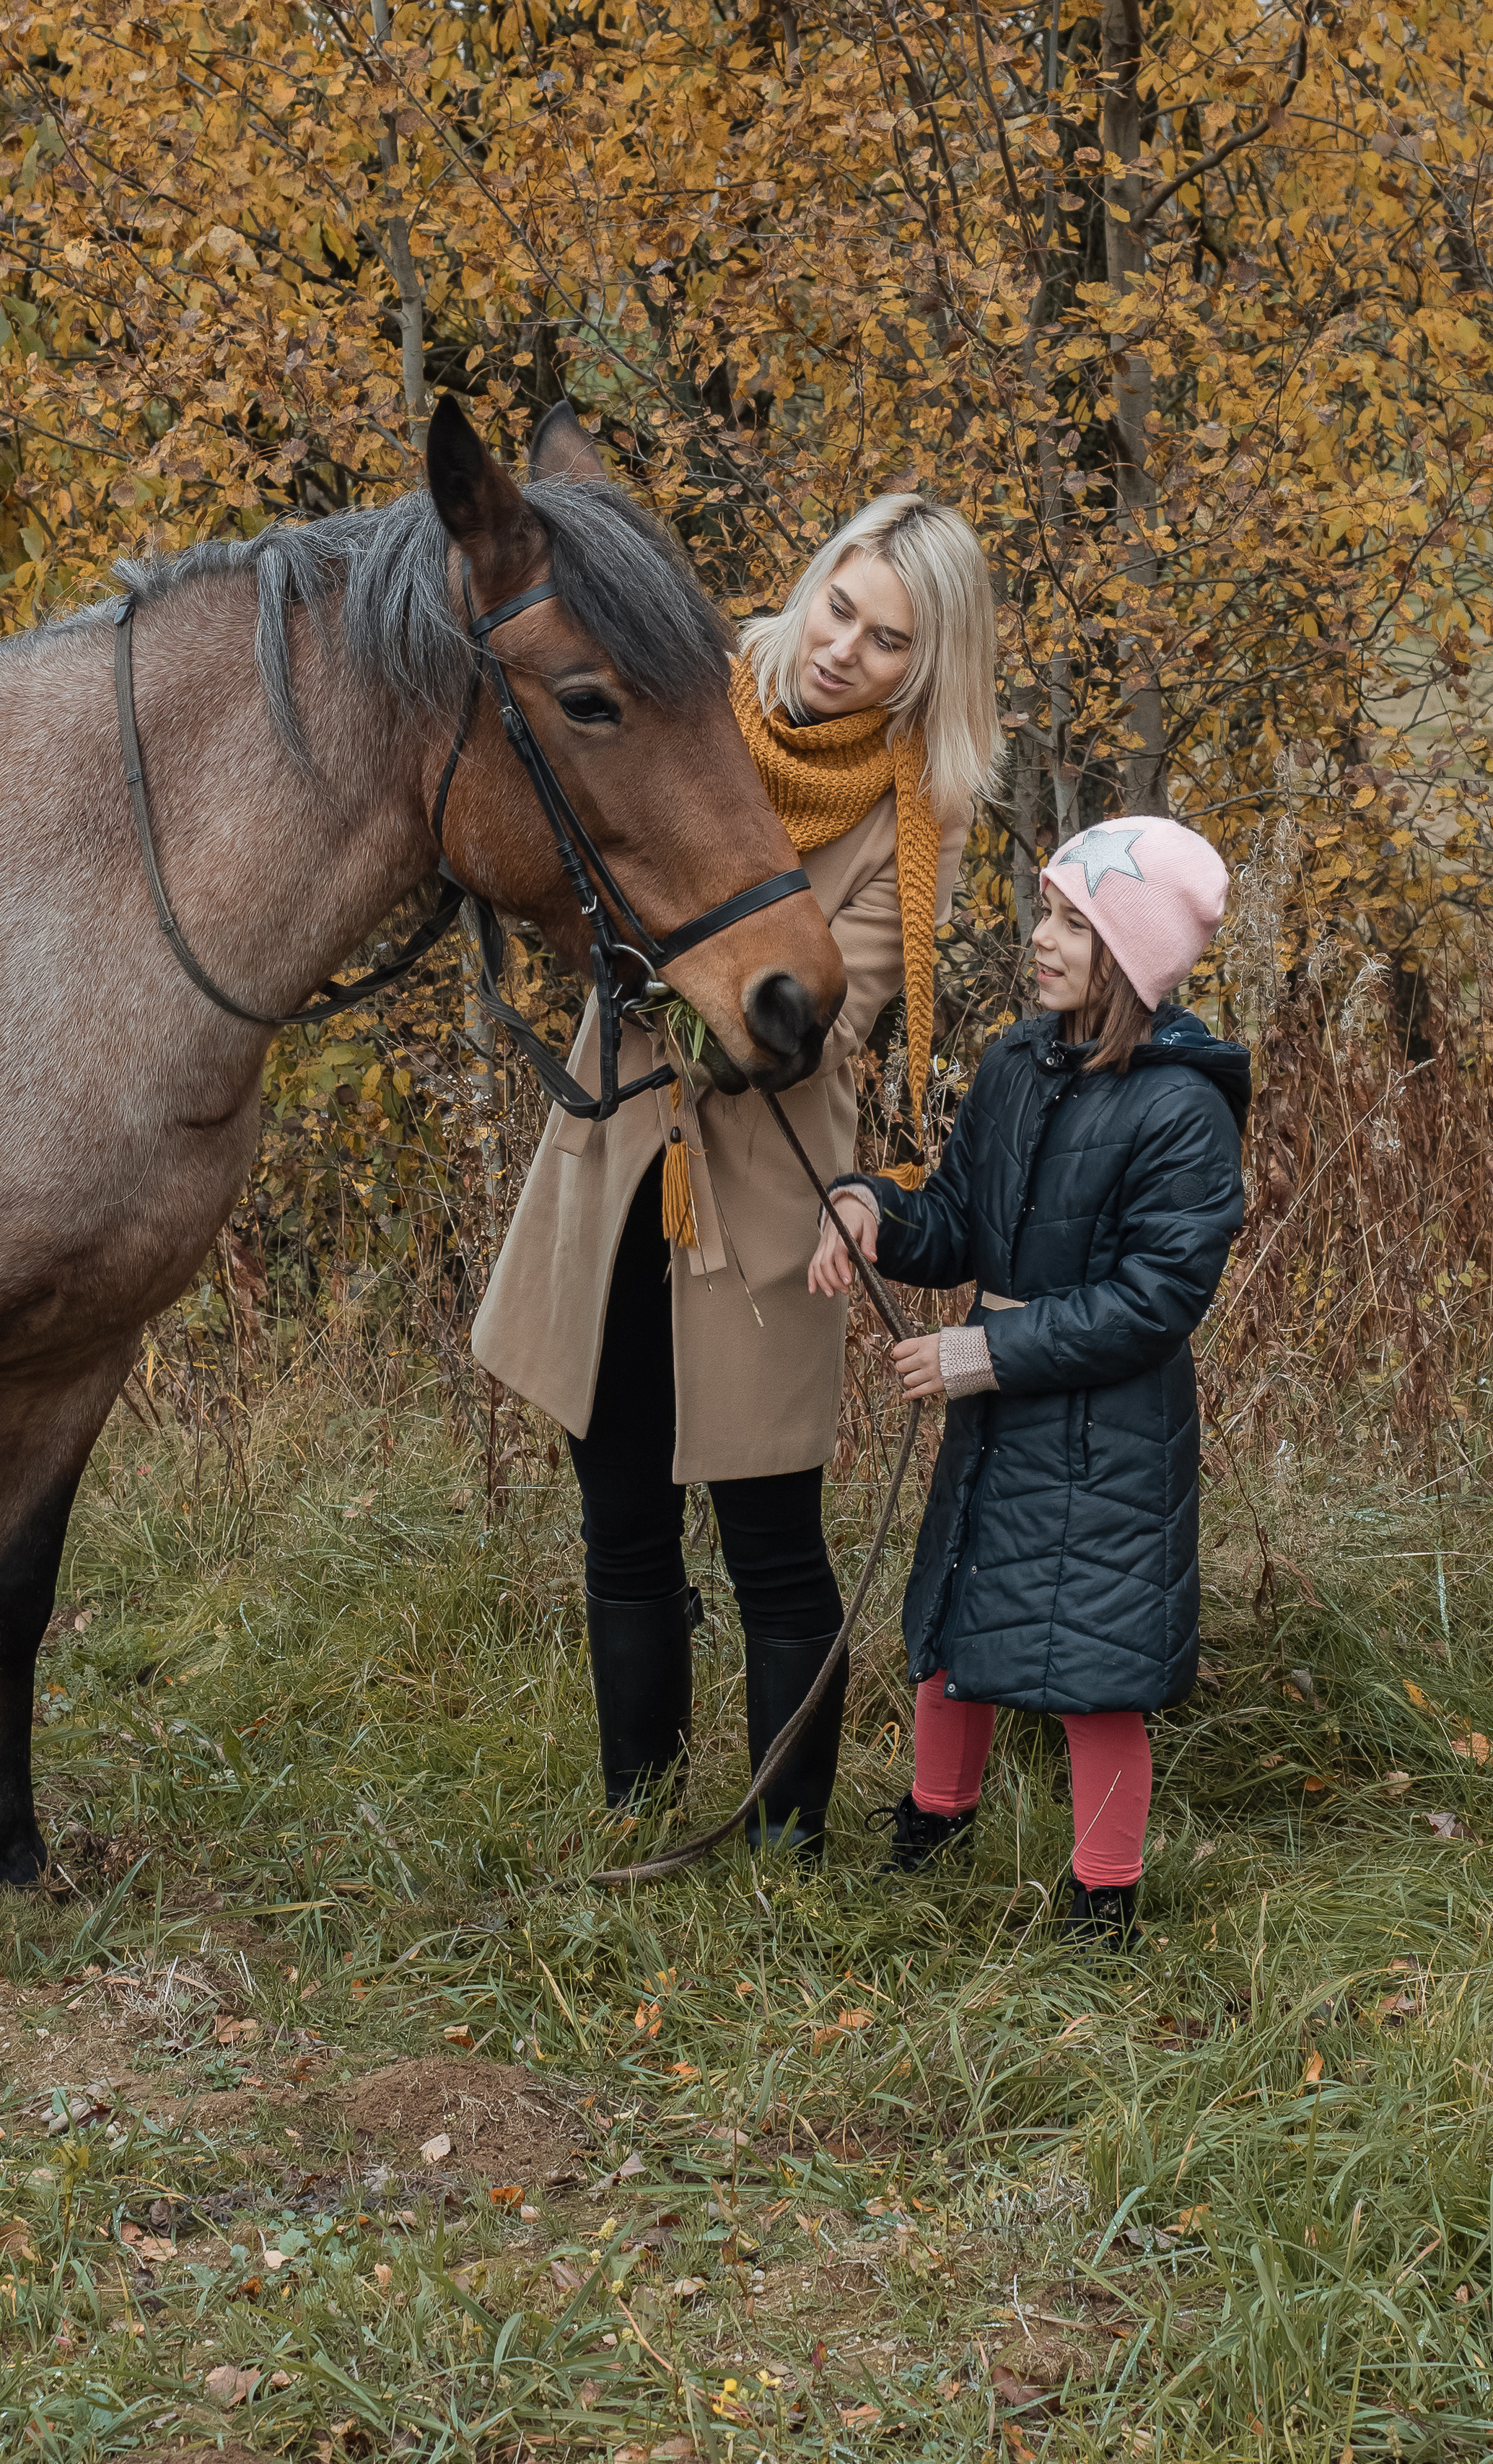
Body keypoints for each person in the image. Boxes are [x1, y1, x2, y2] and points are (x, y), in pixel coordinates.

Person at [473, 494, 1004, 1856]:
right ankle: (636, 1809)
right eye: (841, 605)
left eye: (889, 642)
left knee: (772, 1531)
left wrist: (696, 979)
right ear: (815, 580)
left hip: (768, 1200)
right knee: (623, 1515)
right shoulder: (686, 702)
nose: (844, 650)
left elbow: (828, 1008)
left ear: (924, 668)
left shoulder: (908, 816)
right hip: (614, 1171)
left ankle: (784, 1842)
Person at [809, 817, 1249, 1943]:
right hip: (1001, 1423)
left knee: (1098, 1672)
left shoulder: (1182, 1110)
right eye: (1044, 911)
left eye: (1069, 921)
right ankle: (933, 1823)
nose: (1037, 938)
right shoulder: (1018, 1062)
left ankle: (1104, 1900)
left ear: (1129, 951)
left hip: (1110, 1438)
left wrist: (980, 1353)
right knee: (955, 1626)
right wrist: (875, 1208)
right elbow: (960, 1220)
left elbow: (1155, 1301)